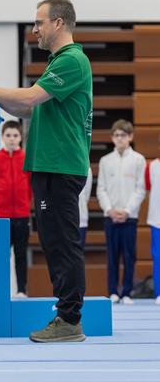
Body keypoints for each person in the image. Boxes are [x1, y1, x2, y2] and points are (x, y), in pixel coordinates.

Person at [0, 0, 92, 343]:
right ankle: (66, 314)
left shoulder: (71, 61)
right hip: (49, 165)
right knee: (53, 242)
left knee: (62, 243)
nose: (34, 29)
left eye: (39, 22)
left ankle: (70, 319)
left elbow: (31, 98)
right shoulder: (58, 63)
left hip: (60, 165)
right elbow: (27, 109)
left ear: (60, 23)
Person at [97, 120, 146, 305]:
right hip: (110, 216)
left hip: (129, 217)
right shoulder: (105, 161)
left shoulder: (138, 160)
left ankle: (126, 292)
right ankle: (112, 292)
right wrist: (109, 210)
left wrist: (126, 211)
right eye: (116, 135)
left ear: (130, 137)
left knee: (128, 255)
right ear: (112, 138)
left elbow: (140, 189)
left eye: (123, 135)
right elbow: (101, 189)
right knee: (112, 255)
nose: (119, 138)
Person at [0, 121, 31, 297]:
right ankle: (1, 290)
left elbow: (30, 187)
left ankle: (21, 290)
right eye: (8, 135)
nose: (12, 139)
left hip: (22, 214)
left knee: (20, 254)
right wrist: (0, 202)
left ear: (20, 137)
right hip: (2, 216)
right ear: (2, 137)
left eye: (15, 136)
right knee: (1, 256)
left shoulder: (27, 158)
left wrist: (25, 203)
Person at [146, 135, 160, 304]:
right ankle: (158, 293)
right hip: (157, 219)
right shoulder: (151, 167)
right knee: (158, 257)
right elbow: (149, 189)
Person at [79, 167, 93, 247]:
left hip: (80, 220)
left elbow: (86, 195)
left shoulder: (86, 168)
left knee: (77, 254)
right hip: (62, 221)